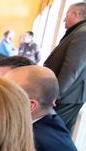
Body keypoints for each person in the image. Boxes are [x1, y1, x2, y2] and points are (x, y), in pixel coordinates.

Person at [44, 1, 86, 132]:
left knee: (50, 132)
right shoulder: (79, 31)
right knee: (60, 134)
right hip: (70, 94)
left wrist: (55, 94)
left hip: (67, 95)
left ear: (76, 14)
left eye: (67, 14)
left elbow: (72, 69)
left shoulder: (82, 33)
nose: (63, 19)